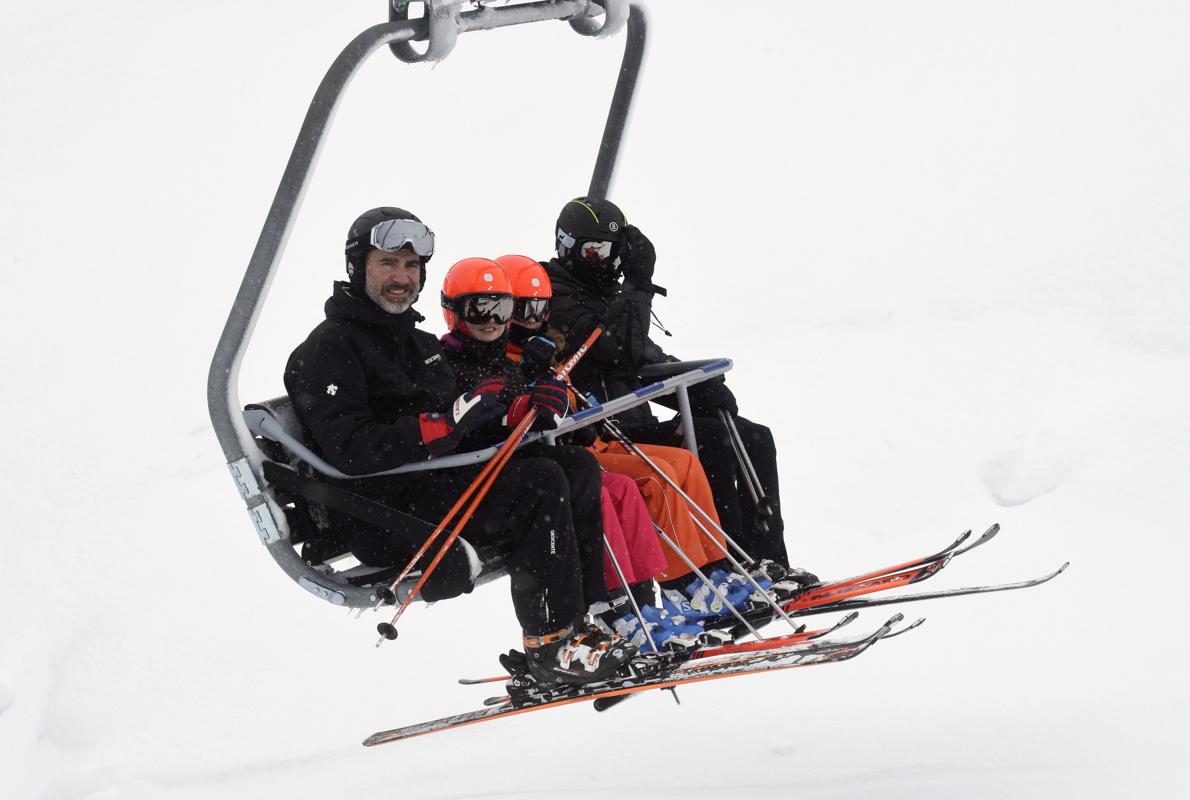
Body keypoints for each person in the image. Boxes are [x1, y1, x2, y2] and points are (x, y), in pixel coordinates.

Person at [283, 207, 634, 684]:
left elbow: (464, 421)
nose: (401, 278)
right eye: (387, 263)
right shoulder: (328, 350)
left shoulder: (418, 343)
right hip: (382, 513)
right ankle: (551, 643)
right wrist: (440, 424)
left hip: (433, 488)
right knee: (540, 482)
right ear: (356, 266)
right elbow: (352, 449)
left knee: (571, 464)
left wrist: (519, 412)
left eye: (411, 267)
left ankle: (590, 621)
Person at [541, 197, 816, 590]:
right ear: (567, 246)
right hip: (604, 431)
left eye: (615, 252)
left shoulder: (604, 297)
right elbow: (620, 350)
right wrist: (638, 286)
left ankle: (770, 559)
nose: (608, 263)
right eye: (595, 251)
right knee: (711, 439)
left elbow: (645, 359)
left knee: (753, 435)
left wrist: (698, 386)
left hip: (632, 419)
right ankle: (733, 563)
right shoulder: (556, 298)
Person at [437, 257, 683, 647]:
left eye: (501, 309)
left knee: (609, 483)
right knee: (587, 487)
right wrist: (520, 411)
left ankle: (635, 604)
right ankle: (581, 622)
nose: (492, 319)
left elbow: (554, 417)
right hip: (492, 488)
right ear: (453, 312)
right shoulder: (446, 364)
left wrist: (552, 398)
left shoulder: (511, 360)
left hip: (537, 470)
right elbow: (467, 425)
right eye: (478, 308)